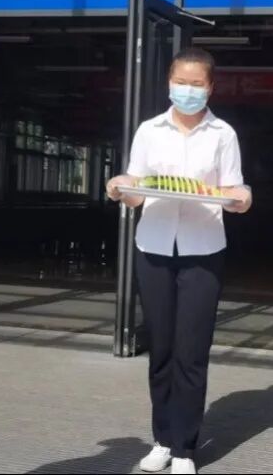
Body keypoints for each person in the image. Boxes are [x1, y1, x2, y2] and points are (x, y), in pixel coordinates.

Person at [106, 48, 252, 475]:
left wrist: (241, 198)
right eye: (181, 82)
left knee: (191, 352)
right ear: (169, 82)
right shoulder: (149, 130)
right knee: (162, 350)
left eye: (196, 84)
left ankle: (185, 448)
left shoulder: (222, 134)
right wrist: (120, 188)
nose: (188, 91)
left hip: (203, 250)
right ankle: (162, 440)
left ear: (211, 87)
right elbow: (137, 191)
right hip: (153, 247)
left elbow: (233, 190)